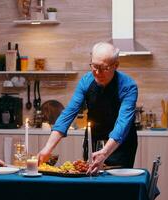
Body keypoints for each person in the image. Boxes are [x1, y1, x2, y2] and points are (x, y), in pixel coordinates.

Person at [38, 42, 138, 174]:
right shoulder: (86, 81)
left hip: (119, 146)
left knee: (116, 187)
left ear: (116, 66)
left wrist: (105, 152)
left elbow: (123, 124)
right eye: (94, 66)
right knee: (92, 184)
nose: (97, 72)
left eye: (103, 68)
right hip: (93, 141)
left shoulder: (128, 86)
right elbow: (68, 114)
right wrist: (48, 148)